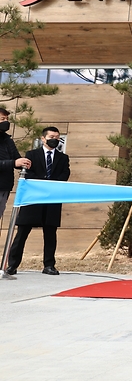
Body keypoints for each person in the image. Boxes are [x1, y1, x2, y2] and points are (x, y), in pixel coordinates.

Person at [6, 126, 69, 276]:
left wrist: (50, 186)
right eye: (51, 136)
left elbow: (65, 174)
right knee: (22, 233)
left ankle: (49, 265)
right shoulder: (31, 155)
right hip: (33, 200)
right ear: (43, 138)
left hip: (52, 200)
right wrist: (43, 184)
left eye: (57, 137)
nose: (54, 139)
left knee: (50, 234)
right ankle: (12, 265)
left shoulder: (63, 158)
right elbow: (28, 174)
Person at [0, 108, 30, 226]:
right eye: (2, 119)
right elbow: (14, 162)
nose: (6, 122)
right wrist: (13, 163)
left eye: (7, 119)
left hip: (4, 186)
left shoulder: (7, 140)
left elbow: (17, 159)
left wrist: (25, 162)